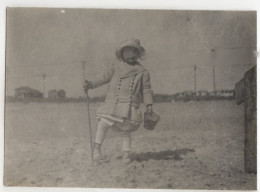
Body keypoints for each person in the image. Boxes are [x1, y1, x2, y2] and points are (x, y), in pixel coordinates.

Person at [83, 39, 153, 165]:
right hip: (112, 104)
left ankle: (126, 154)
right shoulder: (116, 68)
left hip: (129, 106)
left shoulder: (143, 72)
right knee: (103, 124)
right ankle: (97, 151)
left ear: (138, 55)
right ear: (123, 53)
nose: (133, 55)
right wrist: (91, 84)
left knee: (126, 130)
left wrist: (149, 106)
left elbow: (147, 90)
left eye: (135, 52)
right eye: (129, 52)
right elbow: (104, 78)